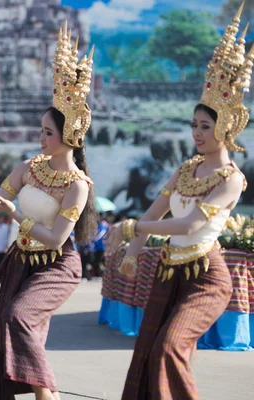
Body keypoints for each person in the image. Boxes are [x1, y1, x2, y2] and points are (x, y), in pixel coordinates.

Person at [110, 10, 251, 400]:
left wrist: (135, 229)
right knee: (148, 352)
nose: (197, 133)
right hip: (169, 270)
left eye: (205, 126)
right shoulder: (187, 168)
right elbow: (157, 211)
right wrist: (132, 252)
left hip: (207, 276)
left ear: (226, 127)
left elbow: (188, 225)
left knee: (170, 347)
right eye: (194, 125)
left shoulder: (232, 178)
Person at [0, 23, 98, 400]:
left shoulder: (77, 184)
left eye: (48, 132)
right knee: (12, 331)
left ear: (69, 136)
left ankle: (50, 394)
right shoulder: (28, 168)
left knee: (20, 318)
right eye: (41, 130)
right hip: (20, 260)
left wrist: (15, 214)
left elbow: (57, 238)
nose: (41, 137)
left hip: (58, 264)